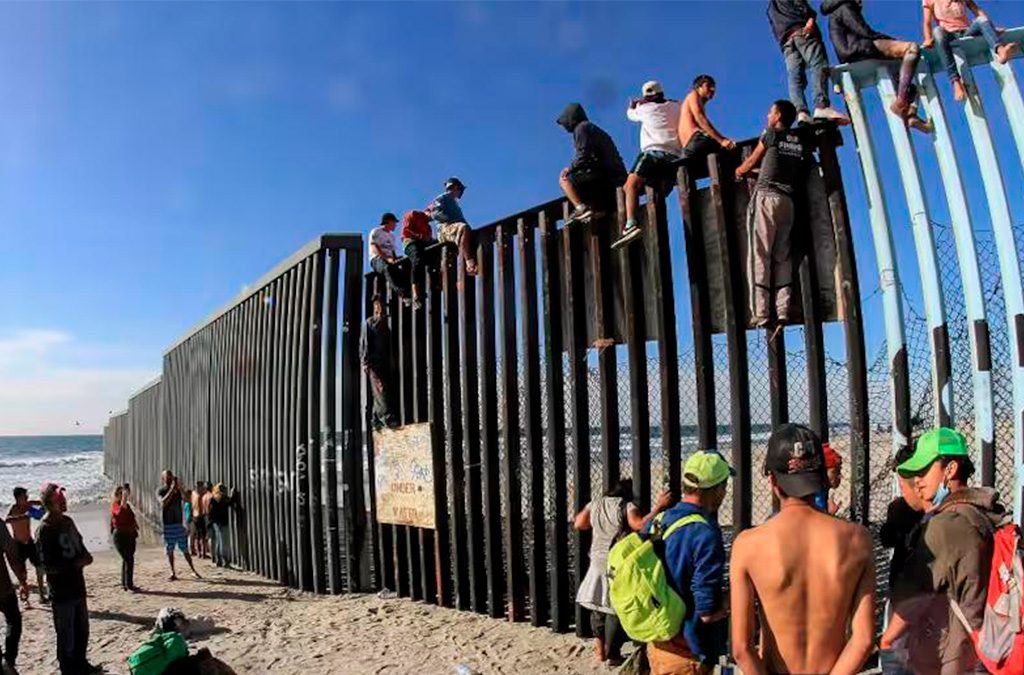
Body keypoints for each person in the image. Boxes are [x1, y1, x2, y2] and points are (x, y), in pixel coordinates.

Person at [730, 423, 875, 675]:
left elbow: (742, 648)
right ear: (820, 477)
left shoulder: (748, 545)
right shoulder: (857, 540)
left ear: (773, 480)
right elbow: (862, 641)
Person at [881, 427, 1010, 675]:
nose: (917, 480)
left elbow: (913, 592)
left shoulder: (943, 525)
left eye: (924, 470)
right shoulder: (984, 512)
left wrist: (888, 640)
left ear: (950, 470)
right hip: (987, 644)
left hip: (953, 654)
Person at [644, 451, 734, 675]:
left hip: (658, 639)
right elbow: (705, 608)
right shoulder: (704, 533)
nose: (725, 491)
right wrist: (726, 604)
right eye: (723, 485)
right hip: (688, 649)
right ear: (715, 490)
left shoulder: (660, 520)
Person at [574, 480, 673, 664]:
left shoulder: (595, 504)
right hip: (616, 562)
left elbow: (579, 523)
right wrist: (658, 507)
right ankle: (612, 654)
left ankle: (599, 652)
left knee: (597, 607)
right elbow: (639, 525)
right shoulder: (626, 506)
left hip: (596, 560)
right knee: (614, 608)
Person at [734, 99, 806, 330]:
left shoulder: (770, 134)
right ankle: (783, 310)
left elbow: (753, 160)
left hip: (765, 198)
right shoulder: (796, 142)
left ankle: (761, 312)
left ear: (777, 116)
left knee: (759, 254)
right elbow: (776, 164)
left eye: (770, 112)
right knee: (782, 255)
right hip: (788, 202)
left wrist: (740, 170)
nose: (767, 115)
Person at [821, 0, 932, 133]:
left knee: (906, 72)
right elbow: (864, 31)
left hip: (853, 51)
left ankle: (911, 114)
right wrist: (890, 40)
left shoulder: (838, 10)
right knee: (911, 49)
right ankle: (901, 102)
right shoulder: (845, 6)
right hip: (858, 48)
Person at [36, 483, 100, 674]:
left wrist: (85, 557)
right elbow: (46, 566)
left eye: (64, 499)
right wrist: (73, 564)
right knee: (66, 639)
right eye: (59, 500)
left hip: (78, 587)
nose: (64, 502)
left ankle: (82, 665)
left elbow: (79, 545)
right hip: (62, 592)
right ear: (49, 503)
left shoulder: (68, 522)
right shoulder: (44, 530)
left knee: (82, 632)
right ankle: (69, 670)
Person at [614, 80, 683, 249]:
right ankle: (653, 219)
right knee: (660, 190)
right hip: (675, 158)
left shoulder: (643, 109)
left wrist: (634, 104)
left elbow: (630, 114)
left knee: (630, 186)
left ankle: (631, 224)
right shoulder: (677, 106)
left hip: (653, 154)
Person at [878, 443, 927, 675]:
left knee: (898, 640)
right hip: (913, 586)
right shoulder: (928, 509)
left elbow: (886, 538)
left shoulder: (899, 507)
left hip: (904, 585)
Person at [766, 0, 851, 125]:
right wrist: (810, 19)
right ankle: (822, 107)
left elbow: (774, 28)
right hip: (802, 31)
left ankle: (801, 113)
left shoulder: (770, 8)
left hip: (786, 42)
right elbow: (800, 4)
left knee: (795, 77)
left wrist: (784, 44)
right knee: (818, 64)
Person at [923, 0, 1019, 101]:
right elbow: (927, 21)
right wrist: (928, 38)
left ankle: (1001, 50)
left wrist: (991, 27)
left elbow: (976, 10)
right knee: (937, 31)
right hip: (948, 34)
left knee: (981, 19)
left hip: (967, 31)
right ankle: (956, 82)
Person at [556, 102, 628, 227]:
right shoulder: (593, 129)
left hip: (606, 176)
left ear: (570, 118)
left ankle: (580, 208)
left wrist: (570, 168)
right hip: (617, 175)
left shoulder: (581, 128)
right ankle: (598, 210)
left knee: (564, 179)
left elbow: (583, 155)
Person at [426, 177, 477, 276]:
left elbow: (461, 220)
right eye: (460, 189)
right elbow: (434, 213)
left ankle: (468, 268)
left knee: (466, 231)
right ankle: (469, 263)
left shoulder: (455, 204)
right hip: (445, 228)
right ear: (456, 187)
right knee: (463, 228)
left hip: (453, 227)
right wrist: (448, 219)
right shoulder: (443, 197)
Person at [361, 295, 398, 431]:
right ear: (375, 309)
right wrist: (365, 362)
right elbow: (364, 343)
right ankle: (386, 418)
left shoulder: (384, 326)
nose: (381, 314)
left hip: (383, 362)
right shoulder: (369, 323)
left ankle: (375, 419)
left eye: (382, 311)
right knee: (380, 389)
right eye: (378, 311)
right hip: (374, 363)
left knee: (381, 391)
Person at [157, 470, 200, 580]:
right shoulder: (161, 491)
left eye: (171, 477)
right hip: (168, 524)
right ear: (163, 479)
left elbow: (187, 499)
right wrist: (171, 490)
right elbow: (163, 503)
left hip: (178, 523)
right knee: (170, 550)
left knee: (185, 549)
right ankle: (173, 572)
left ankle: (193, 570)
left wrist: (180, 488)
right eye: (167, 477)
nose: (170, 479)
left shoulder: (178, 491)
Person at [6, 486, 46, 605]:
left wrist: (35, 502)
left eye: (27, 496)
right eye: (25, 496)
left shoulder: (28, 507)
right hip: (18, 544)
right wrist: (22, 517)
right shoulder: (14, 509)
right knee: (22, 573)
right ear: (18, 498)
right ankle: (25, 597)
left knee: (39, 567)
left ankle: (41, 594)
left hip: (29, 542)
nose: (27, 498)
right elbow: (7, 520)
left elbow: (42, 512)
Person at [0, 504, 27, 672]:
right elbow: (11, 553)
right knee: (14, 621)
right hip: (2, 586)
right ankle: (8, 661)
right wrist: (22, 580)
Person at [369, 212, 410, 303]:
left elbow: (392, 251)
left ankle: (410, 289)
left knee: (406, 263)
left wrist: (396, 258)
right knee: (387, 267)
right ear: (388, 222)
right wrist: (386, 258)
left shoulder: (392, 236)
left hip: (390, 259)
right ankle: (402, 294)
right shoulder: (376, 231)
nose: (395, 225)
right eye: (394, 222)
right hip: (377, 259)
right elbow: (374, 247)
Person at [400, 209, 435, 310]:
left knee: (435, 253)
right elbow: (406, 231)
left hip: (423, 244)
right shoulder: (414, 214)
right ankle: (415, 294)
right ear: (428, 211)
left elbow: (428, 239)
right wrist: (419, 236)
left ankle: (436, 283)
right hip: (410, 242)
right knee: (417, 259)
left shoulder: (429, 227)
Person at [111, 483, 139, 591]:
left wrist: (135, 526)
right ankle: (129, 585)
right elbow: (121, 511)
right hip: (121, 536)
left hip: (129, 534)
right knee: (128, 559)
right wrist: (124, 496)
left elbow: (130, 515)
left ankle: (125, 583)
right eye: (121, 494)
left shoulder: (126, 505)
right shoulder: (115, 505)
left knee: (127, 559)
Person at [812, 442, 842, 514]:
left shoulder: (822, 491)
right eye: (835, 472)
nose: (839, 476)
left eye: (839, 471)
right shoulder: (814, 495)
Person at [208, 483, 234, 568]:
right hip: (223, 522)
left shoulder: (212, 498)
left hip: (216, 522)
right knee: (223, 542)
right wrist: (233, 494)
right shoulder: (223, 498)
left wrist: (211, 521)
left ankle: (218, 560)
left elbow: (210, 511)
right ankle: (225, 561)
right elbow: (230, 502)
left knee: (219, 541)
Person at [192, 482, 210, 560]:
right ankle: (203, 553)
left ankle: (199, 553)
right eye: (202, 487)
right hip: (200, 516)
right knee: (202, 536)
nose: (203, 488)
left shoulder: (193, 494)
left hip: (194, 516)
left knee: (197, 536)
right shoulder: (200, 495)